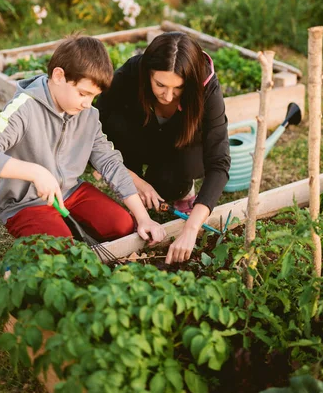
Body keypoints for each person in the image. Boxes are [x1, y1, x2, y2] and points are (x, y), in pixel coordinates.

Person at [0, 35, 166, 247]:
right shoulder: (25, 108)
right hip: (26, 203)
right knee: (60, 250)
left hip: (71, 192)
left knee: (123, 226)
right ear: (59, 76)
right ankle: (27, 257)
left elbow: (110, 162)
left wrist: (143, 217)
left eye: (93, 97)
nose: (87, 104)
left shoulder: (88, 116)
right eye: (82, 93)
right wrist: (36, 172)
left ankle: (63, 226)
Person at [96, 31, 230, 264]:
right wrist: (134, 180)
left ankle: (181, 189)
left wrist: (191, 228)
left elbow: (219, 162)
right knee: (116, 122)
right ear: (148, 72)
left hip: (181, 148)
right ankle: (133, 180)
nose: (168, 96)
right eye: (160, 85)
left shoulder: (207, 88)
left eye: (178, 88)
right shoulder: (130, 74)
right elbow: (91, 129)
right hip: (139, 139)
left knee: (169, 185)